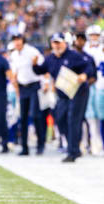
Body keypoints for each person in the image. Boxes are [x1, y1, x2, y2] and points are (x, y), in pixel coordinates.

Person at [33, 32, 90, 162]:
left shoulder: (73, 55)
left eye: (58, 42)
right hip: (63, 94)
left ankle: (73, 151)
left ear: (65, 43)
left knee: (73, 120)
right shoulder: (50, 58)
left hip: (78, 92)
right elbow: (41, 70)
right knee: (60, 119)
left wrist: (84, 75)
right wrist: (34, 65)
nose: (56, 45)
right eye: (54, 42)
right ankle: (74, 146)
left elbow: (87, 67)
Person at [10, 33, 47, 156]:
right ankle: (24, 147)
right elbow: (15, 73)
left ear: (23, 40)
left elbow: (43, 67)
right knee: (23, 118)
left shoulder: (32, 51)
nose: (17, 42)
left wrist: (46, 82)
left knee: (36, 115)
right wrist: (17, 90)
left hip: (34, 85)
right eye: (15, 40)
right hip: (22, 87)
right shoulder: (14, 54)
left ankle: (40, 145)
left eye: (18, 39)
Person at [73, 32, 100, 155]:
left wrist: (85, 81)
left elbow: (93, 75)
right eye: (78, 39)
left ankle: (92, 144)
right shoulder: (70, 56)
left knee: (89, 118)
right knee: (77, 119)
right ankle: (80, 144)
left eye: (82, 39)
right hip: (71, 91)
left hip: (87, 90)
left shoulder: (88, 57)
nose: (80, 42)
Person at [83, 25, 104, 155]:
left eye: (96, 35)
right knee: (90, 117)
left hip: (101, 85)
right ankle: (93, 143)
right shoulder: (85, 50)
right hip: (89, 85)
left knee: (101, 116)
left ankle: (100, 143)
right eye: (92, 35)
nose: (94, 38)